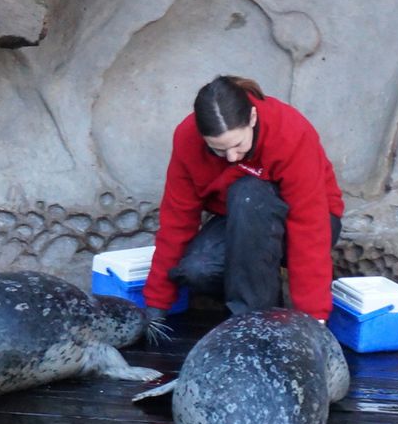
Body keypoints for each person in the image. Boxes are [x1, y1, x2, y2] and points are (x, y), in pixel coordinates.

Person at [143, 75, 344, 325]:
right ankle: (266, 300)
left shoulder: (290, 132)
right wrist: (156, 305)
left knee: (248, 193)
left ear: (252, 118)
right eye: (217, 149)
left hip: (308, 222)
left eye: (237, 145)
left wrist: (315, 318)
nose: (230, 157)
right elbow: (176, 220)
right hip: (239, 220)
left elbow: (309, 226)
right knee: (196, 270)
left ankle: (253, 323)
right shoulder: (187, 139)